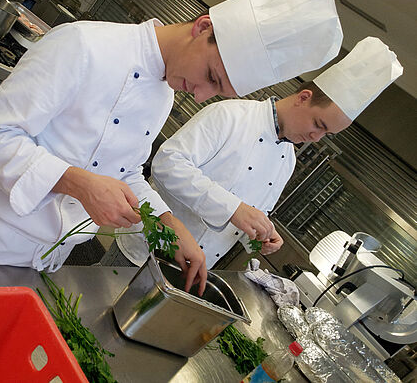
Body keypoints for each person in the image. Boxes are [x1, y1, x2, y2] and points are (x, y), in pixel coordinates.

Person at [0, 0, 342, 294]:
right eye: (211, 76)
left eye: (218, 91)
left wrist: (168, 222)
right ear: (203, 27)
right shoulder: (83, 44)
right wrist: (79, 184)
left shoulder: (164, 93)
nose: (201, 95)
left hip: (46, 263)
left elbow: (125, 171)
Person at [137, 37, 402, 269]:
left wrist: (260, 234)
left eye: (326, 134)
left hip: (193, 269)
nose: (316, 137)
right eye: (318, 124)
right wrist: (234, 209)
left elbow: (249, 217)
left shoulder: (288, 161)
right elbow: (168, 163)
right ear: (303, 97)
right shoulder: (231, 115)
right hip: (144, 248)